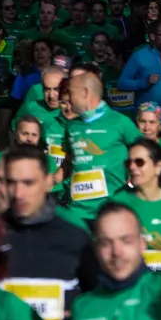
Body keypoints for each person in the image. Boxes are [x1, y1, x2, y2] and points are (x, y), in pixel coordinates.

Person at [0, 145, 98, 320]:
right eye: (12, 183)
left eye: (28, 183)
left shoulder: (75, 236)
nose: (18, 194)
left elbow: (98, 300)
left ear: (48, 182)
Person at [70, 202, 161, 320]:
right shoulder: (82, 309)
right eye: (106, 243)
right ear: (96, 249)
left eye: (126, 241)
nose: (116, 252)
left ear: (143, 244)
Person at [61, 72, 140, 226]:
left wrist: (133, 181)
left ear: (85, 93)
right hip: (77, 212)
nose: (68, 99)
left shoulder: (121, 122)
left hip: (110, 211)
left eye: (71, 93)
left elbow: (145, 154)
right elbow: (68, 163)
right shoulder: (71, 126)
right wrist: (51, 180)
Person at [111, 138, 161, 271]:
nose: (132, 167)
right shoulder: (117, 203)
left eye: (139, 162)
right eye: (129, 163)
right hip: (131, 286)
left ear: (158, 167)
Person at [117, 20, 161, 110]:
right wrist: (144, 82)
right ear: (152, 36)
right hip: (147, 114)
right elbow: (122, 83)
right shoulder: (138, 56)